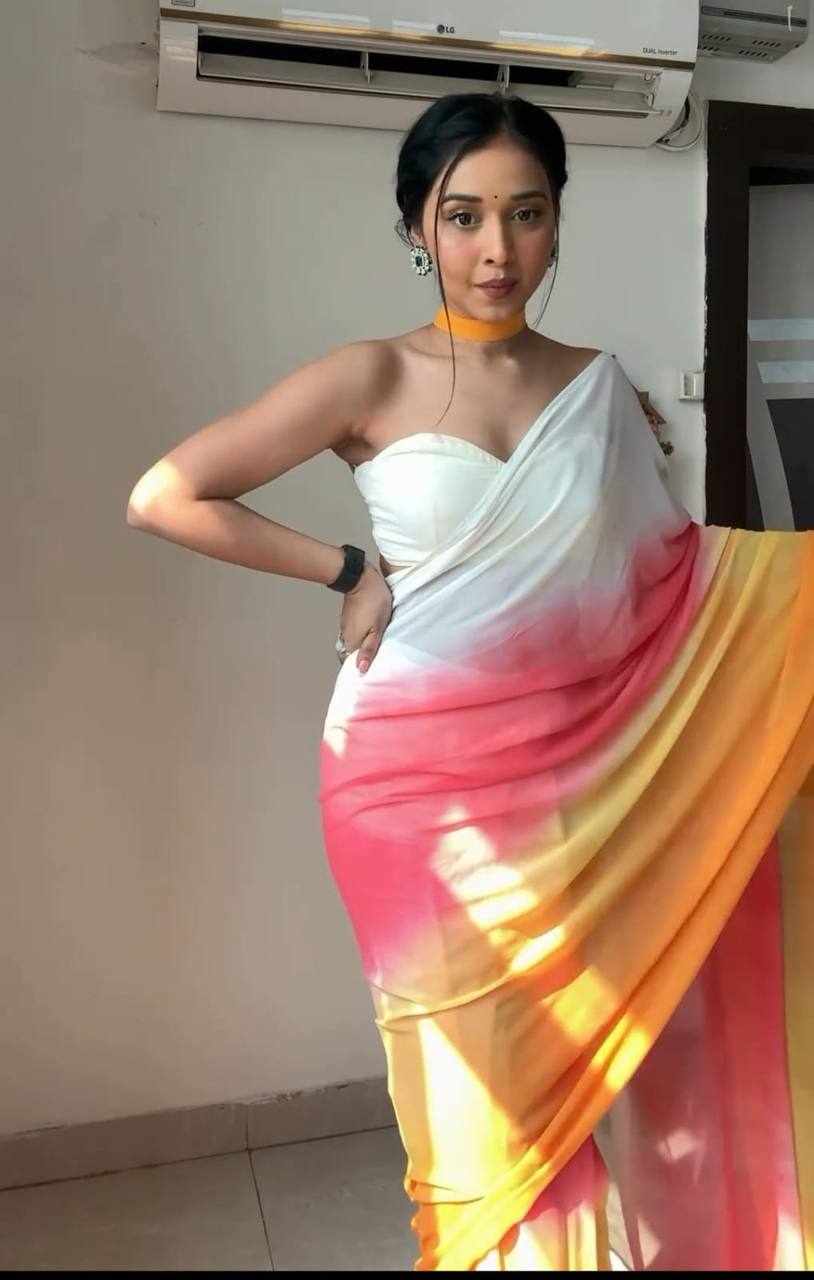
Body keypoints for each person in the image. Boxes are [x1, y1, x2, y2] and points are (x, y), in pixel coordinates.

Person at [127, 92, 814, 1272]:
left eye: (525, 214)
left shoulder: (600, 391)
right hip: (409, 792)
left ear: (556, 223)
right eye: (464, 216)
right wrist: (348, 568)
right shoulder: (370, 373)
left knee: (590, 1083)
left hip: (577, 788)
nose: (497, 250)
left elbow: (660, 584)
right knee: (474, 1122)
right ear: (417, 226)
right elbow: (165, 494)